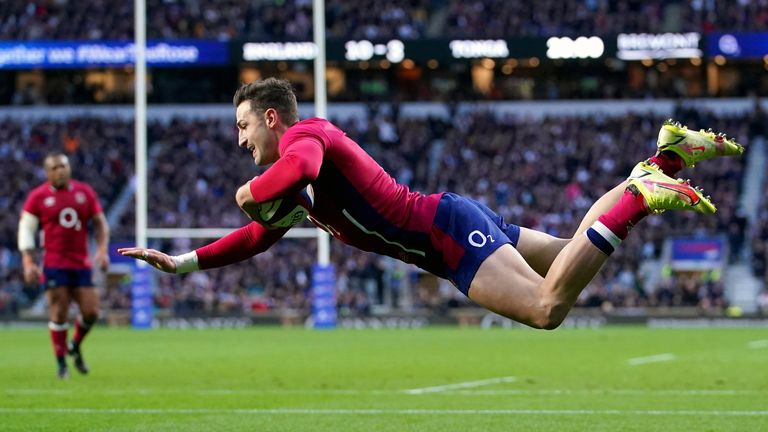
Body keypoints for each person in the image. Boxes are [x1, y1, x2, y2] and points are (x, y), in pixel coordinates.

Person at [119, 78, 743, 330]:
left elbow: (296, 172)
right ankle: (666, 159)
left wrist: (246, 193)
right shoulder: (292, 186)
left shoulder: (305, 139)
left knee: (548, 307)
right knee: (571, 249)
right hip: (451, 221)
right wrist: (185, 264)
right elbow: (259, 236)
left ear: (272, 117)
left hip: (445, 234)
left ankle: (637, 195)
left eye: (243, 125)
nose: (239, 137)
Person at [18, 153, 110, 379]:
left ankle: (75, 345)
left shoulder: (84, 192)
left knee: (91, 311)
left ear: (69, 168)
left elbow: (100, 223)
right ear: (47, 172)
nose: (60, 170)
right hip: (54, 264)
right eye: (55, 167)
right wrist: (28, 261)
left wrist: (101, 250)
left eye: (64, 166)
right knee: (59, 312)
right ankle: (61, 364)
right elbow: (26, 230)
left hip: (81, 263)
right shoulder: (37, 196)